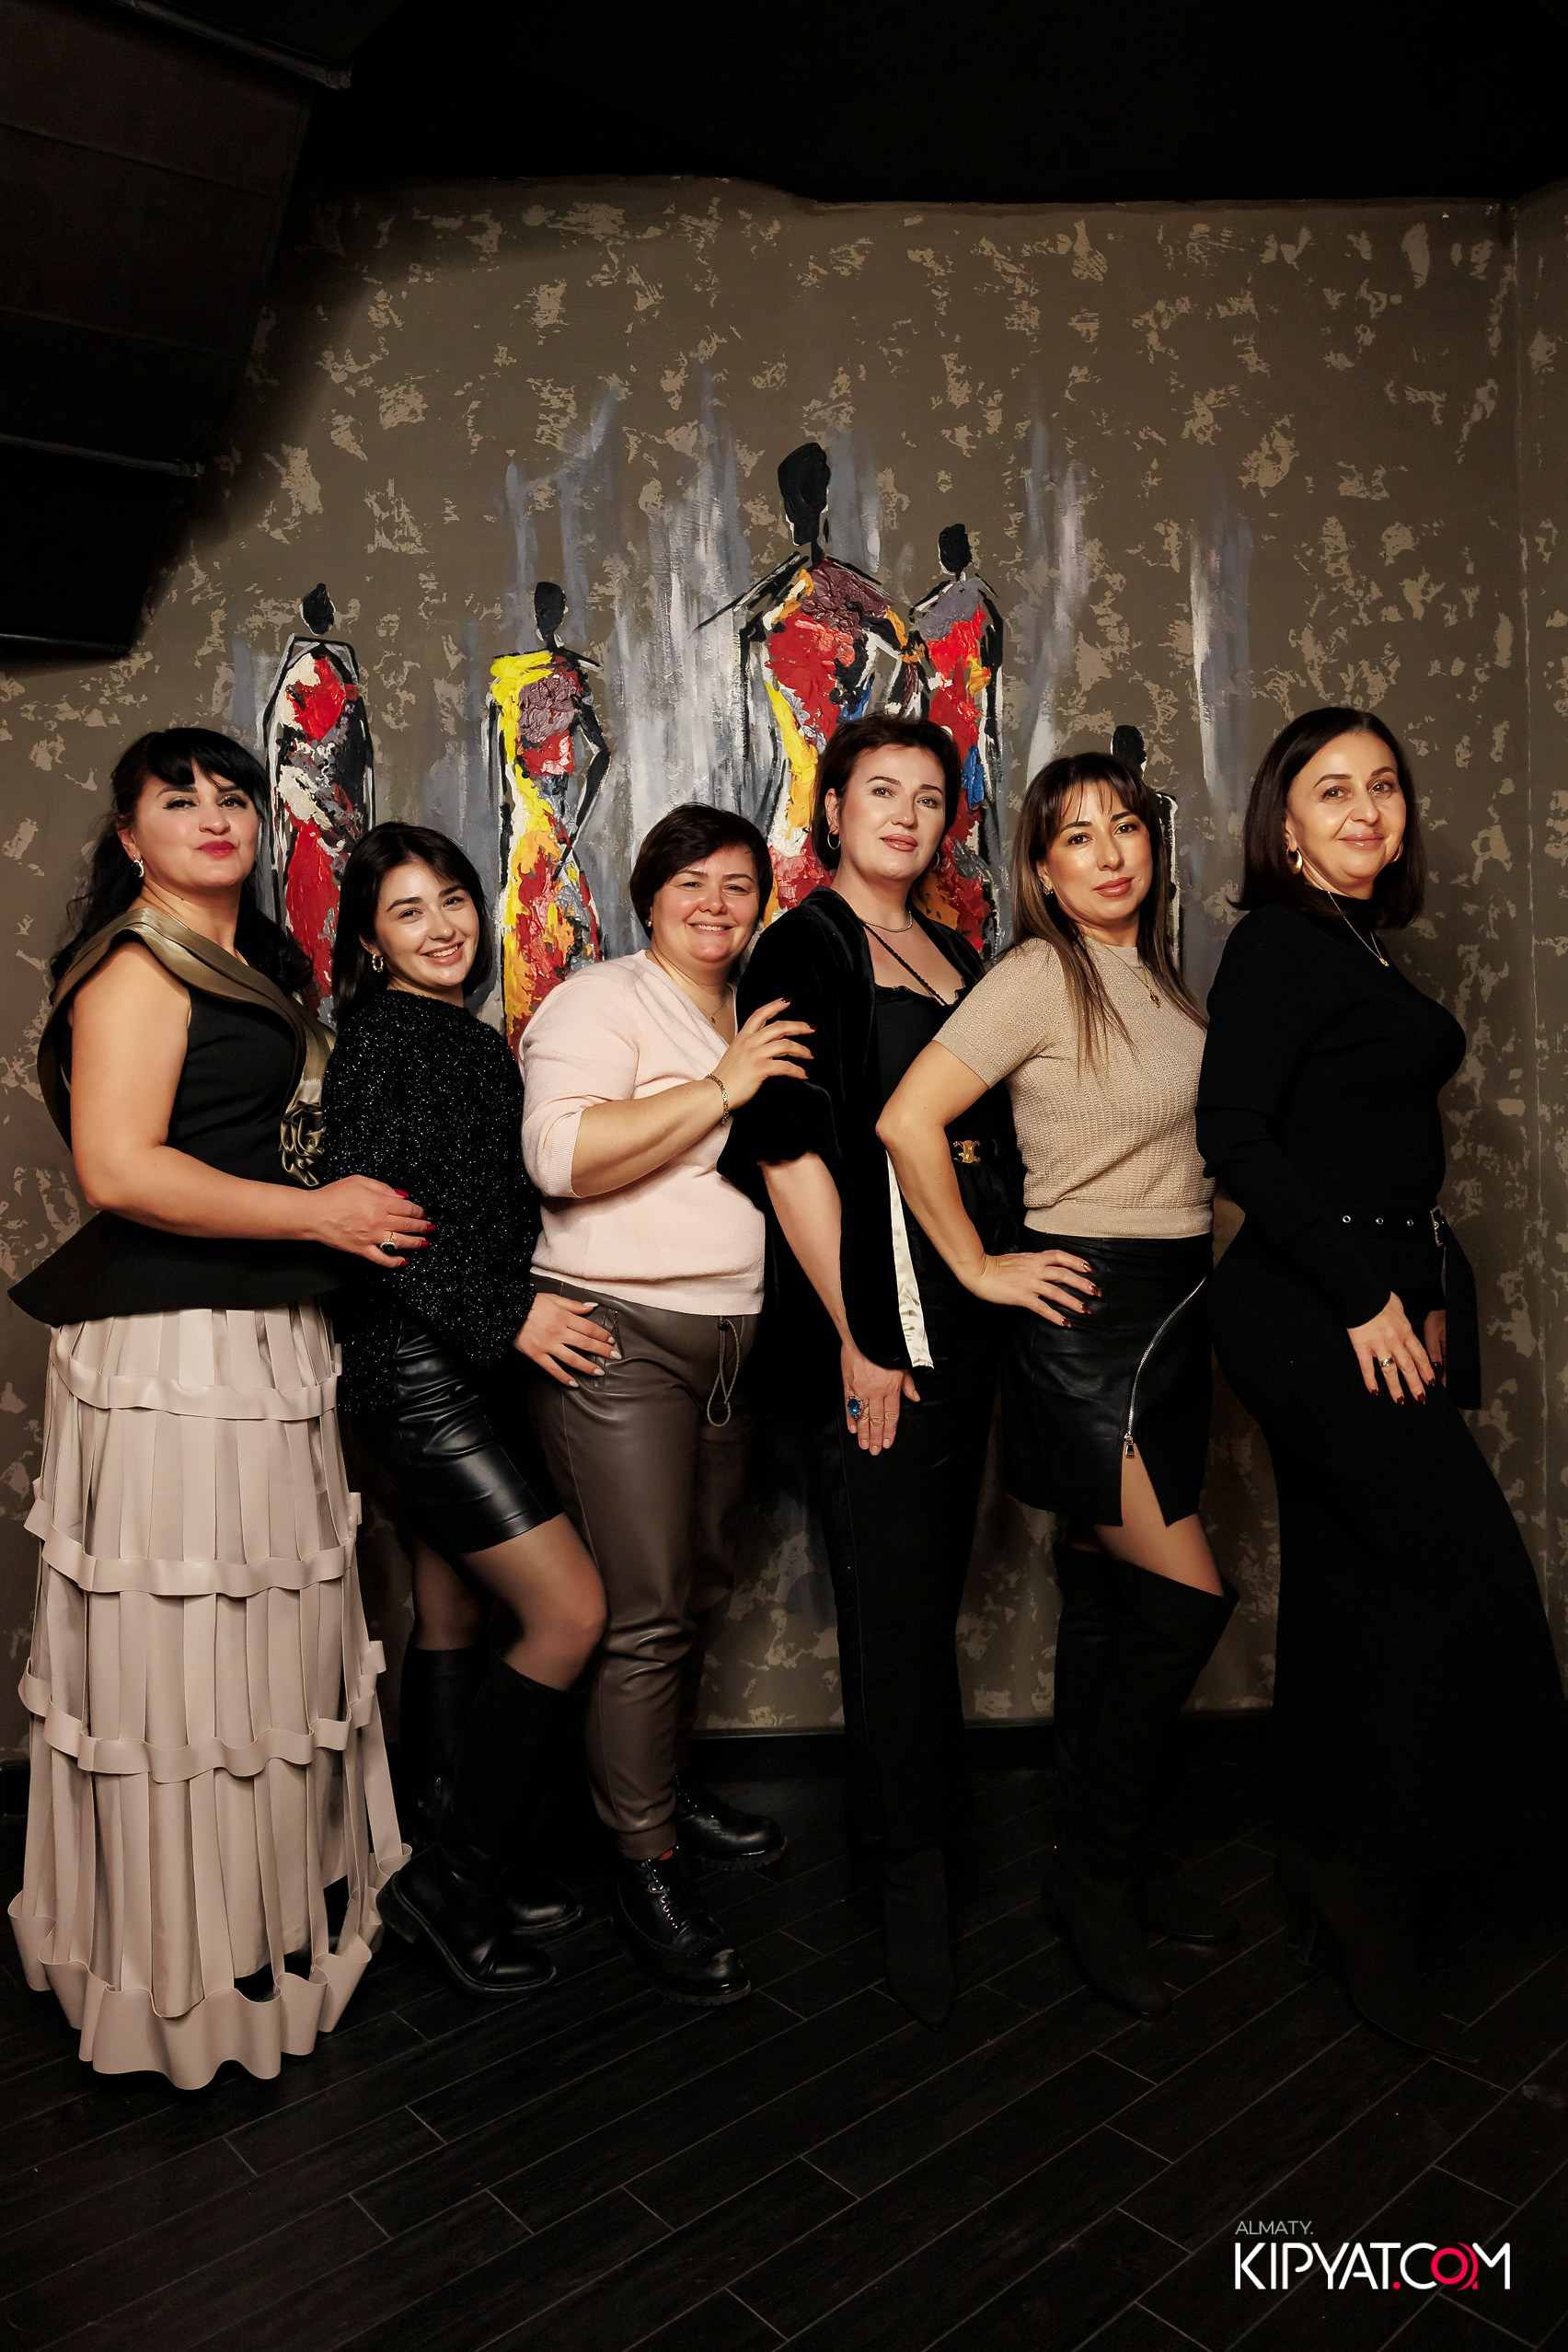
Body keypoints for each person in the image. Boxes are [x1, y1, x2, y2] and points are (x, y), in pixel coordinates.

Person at [7, 728, 412, 2088]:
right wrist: (320, 1216)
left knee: (258, 1647)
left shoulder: (248, 965)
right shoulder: (138, 963)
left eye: (233, 796)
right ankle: (180, 1964)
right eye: (177, 800)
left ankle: (249, 1921)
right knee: (188, 1652)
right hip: (177, 1353)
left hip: (257, 1332)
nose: (214, 816)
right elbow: (119, 1170)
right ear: (130, 838)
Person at [1196, 708, 1568, 2057]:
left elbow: (1369, 1145)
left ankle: (1326, 1844)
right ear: (1284, 825)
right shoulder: (1278, 944)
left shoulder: (1357, 944)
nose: (1367, 810)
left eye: (1386, 787)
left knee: (1356, 1584)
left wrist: (1416, 1286)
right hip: (1316, 1308)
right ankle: (1376, 1878)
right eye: (1332, 790)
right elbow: (1233, 1133)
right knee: (1459, 1581)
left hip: (1382, 1295)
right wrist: (1363, 1296)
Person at [879, 751, 1236, 2020]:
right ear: (1040, 866)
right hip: (1089, 1320)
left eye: (1123, 827)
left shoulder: (1168, 982)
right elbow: (908, 1121)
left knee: (1107, 1596)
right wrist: (981, 1268)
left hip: (1178, 1305)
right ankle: (1091, 1878)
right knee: (1184, 1599)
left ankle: (1104, 1860)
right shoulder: (1039, 975)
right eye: (1076, 836)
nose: (1109, 853)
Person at [719, 713, 1019, 2030]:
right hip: (875, 1318)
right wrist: (862, 1337)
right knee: (891, 1601)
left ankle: (930, 1833)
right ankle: (906, 1880)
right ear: (831, 808)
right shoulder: (802, 947)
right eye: (878, 790)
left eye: (928, 796)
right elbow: (790, 1154)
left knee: (929, 1585)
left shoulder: (960, 952)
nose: (904, 813)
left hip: (971, 1311)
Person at [521, 804, 804, 2006]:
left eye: (739, 884)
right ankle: (643, 1861)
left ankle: (661, 1787)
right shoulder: (601, 1001)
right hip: (622, 1337)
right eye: (693, 882)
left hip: (737, 1341)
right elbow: (560, 1159)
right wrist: (722, 1087)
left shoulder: (761, 1010)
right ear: (649, 897)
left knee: (698, 1587)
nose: (717, 904)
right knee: (641, 1611)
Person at [322, 824, 607, 1999]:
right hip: (420, 1374)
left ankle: (442, 1854)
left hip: (456, 1368)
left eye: (453, 900)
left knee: (452, 1612)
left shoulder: (463, 1036)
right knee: (569, 1613)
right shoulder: (385, 1041)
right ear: (368, 940)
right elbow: (378, 1229)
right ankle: (454, 1882)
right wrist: (512, 1317)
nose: (442, 927)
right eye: (407, 911)